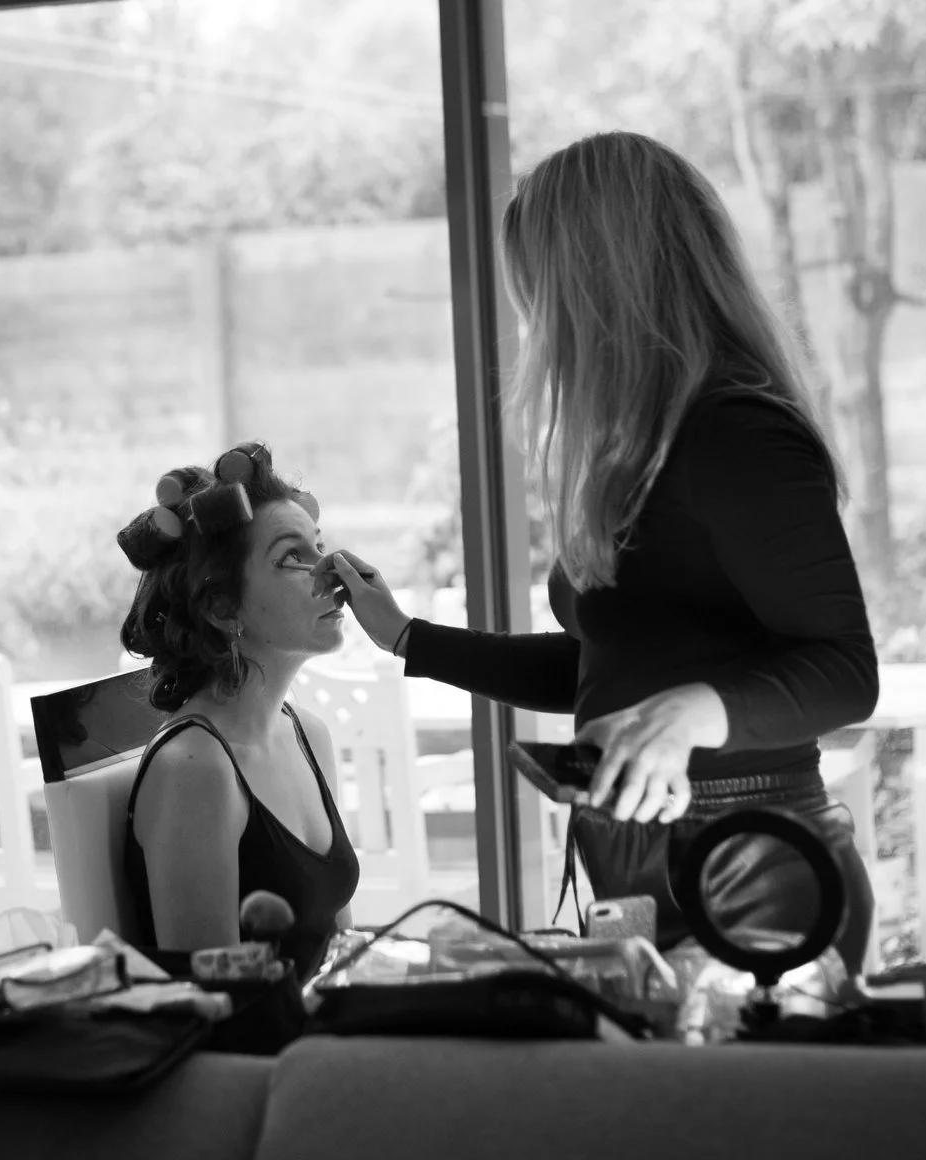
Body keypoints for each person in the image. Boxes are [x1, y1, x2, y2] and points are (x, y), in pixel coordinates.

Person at [327, 131, 880, 969]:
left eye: (541, 292)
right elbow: (611, 667)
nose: (537, 322)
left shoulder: (738, 433)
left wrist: (693, 711)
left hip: (752, 867)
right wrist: (408, 639)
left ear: (603, 285)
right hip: (656, 860)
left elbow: (846, 672)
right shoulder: (644, 446)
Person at [115, 443, 360, 981]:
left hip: (325, 1038)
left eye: (320, 546)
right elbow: (218, 1004)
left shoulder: (306, 735)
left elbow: (340, 955)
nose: (333, 570)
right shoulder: (196, 771)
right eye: (293, 557)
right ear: (223, 608)